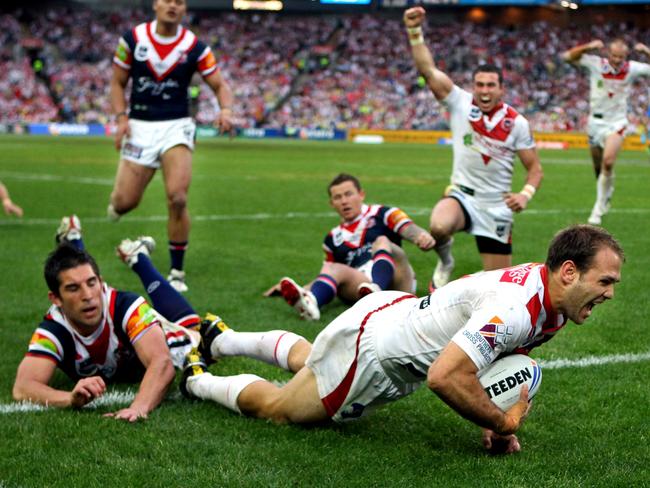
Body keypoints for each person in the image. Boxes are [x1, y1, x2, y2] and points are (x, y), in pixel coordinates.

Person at [180, 224, 623, 454]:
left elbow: (500, 355)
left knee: (312, 361)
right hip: (373, 355)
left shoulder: (556, 303)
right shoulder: (514, 307)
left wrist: (499, 422)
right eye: (605, 280)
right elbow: (444, 377)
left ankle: (222, 338)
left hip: (393, 315)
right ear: (569, 271)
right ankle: (195, 379)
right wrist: (502, 422)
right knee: (281, 409)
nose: (610, 293)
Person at [403, 7, 543, 289]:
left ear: (502, 88)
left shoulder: (517, 123)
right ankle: (446, 262)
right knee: (439, 226)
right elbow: (428, 71)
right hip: (462, 196)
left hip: (496, 206)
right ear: (473, 86)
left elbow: (535, 169)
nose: (485, 91)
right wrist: (414, 32)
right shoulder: (460, 103)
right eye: (479, 85)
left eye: (491, 85)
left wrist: (525, 195)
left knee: (498, 287)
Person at [12, 215, 203, 421]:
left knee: (195, 330)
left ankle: (139, 259)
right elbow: (23, 387)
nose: (87, 295)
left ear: (101, 284)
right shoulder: (54, 329)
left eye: (92, 283)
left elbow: (162, 363)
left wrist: (139, 407)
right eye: (73, 288)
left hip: (164, 333)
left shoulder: (127, 307)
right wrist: (69, 398)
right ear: (55, 299)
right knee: (82, 273)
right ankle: (74, 239)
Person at [108, 0, 234, 292]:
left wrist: (225, 110)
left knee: (177, 196)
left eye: (179, 1)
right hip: (139, 126)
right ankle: (116, 202)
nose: (172, 6)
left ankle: (177, 272)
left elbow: (219, 85)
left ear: (184, 8)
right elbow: (117, 83)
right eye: (167, 0)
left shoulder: (195, 47)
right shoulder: (132, 40)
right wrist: (120, 118)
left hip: (177, 126)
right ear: (155, 4)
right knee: (124, 203)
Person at [266, 173, 435, 321]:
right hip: (362, 285)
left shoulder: (383, 213)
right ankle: (310, 303)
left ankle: (377, 292)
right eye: (338, 197)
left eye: (348, 194)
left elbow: (408, 228)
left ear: (361, 194)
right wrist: (299, 289)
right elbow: (329, 274)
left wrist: (421, 236)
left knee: (382, 240)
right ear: (331, 203)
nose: (344, 201)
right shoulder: (332, 238)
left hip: (397, 279)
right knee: (331, 267)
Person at [562, 40, 650, 225]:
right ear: (607, 53)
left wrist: (646, 51)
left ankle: (598, 209)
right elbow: (567, 57)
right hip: (595, 123)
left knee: (608, 162)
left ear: (626, 56)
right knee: (598, 167)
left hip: (616, 122)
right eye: (614, 55)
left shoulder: (632, 69)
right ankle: (606, 193)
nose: (617, 60)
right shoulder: (595, 64)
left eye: (621, 57)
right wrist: (587, 46)